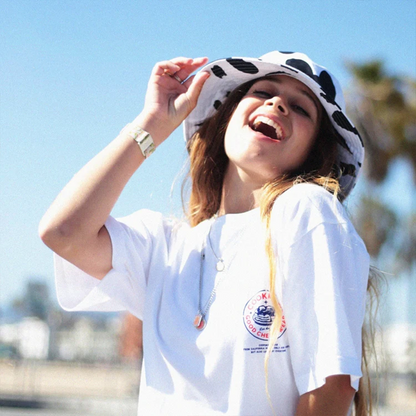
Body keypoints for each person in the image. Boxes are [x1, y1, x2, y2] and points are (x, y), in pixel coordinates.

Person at [39, 51, 370, 416]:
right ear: (228, 116)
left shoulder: (307, 209)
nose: (277, 104)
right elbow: (64, 232)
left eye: (301, 108)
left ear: (314, 150)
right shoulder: (165, 246)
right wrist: (151, 125)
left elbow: (331, 383)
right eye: (262, 92)